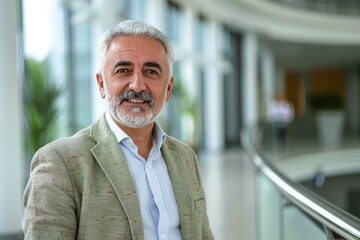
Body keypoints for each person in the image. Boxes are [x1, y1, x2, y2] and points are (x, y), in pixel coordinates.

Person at [23, 20, 214, 240]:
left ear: (168, 88)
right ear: (102, 85)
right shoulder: (61, 163)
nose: (137, 85)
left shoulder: (185, 156)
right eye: (123, 70)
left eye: (151, 72)